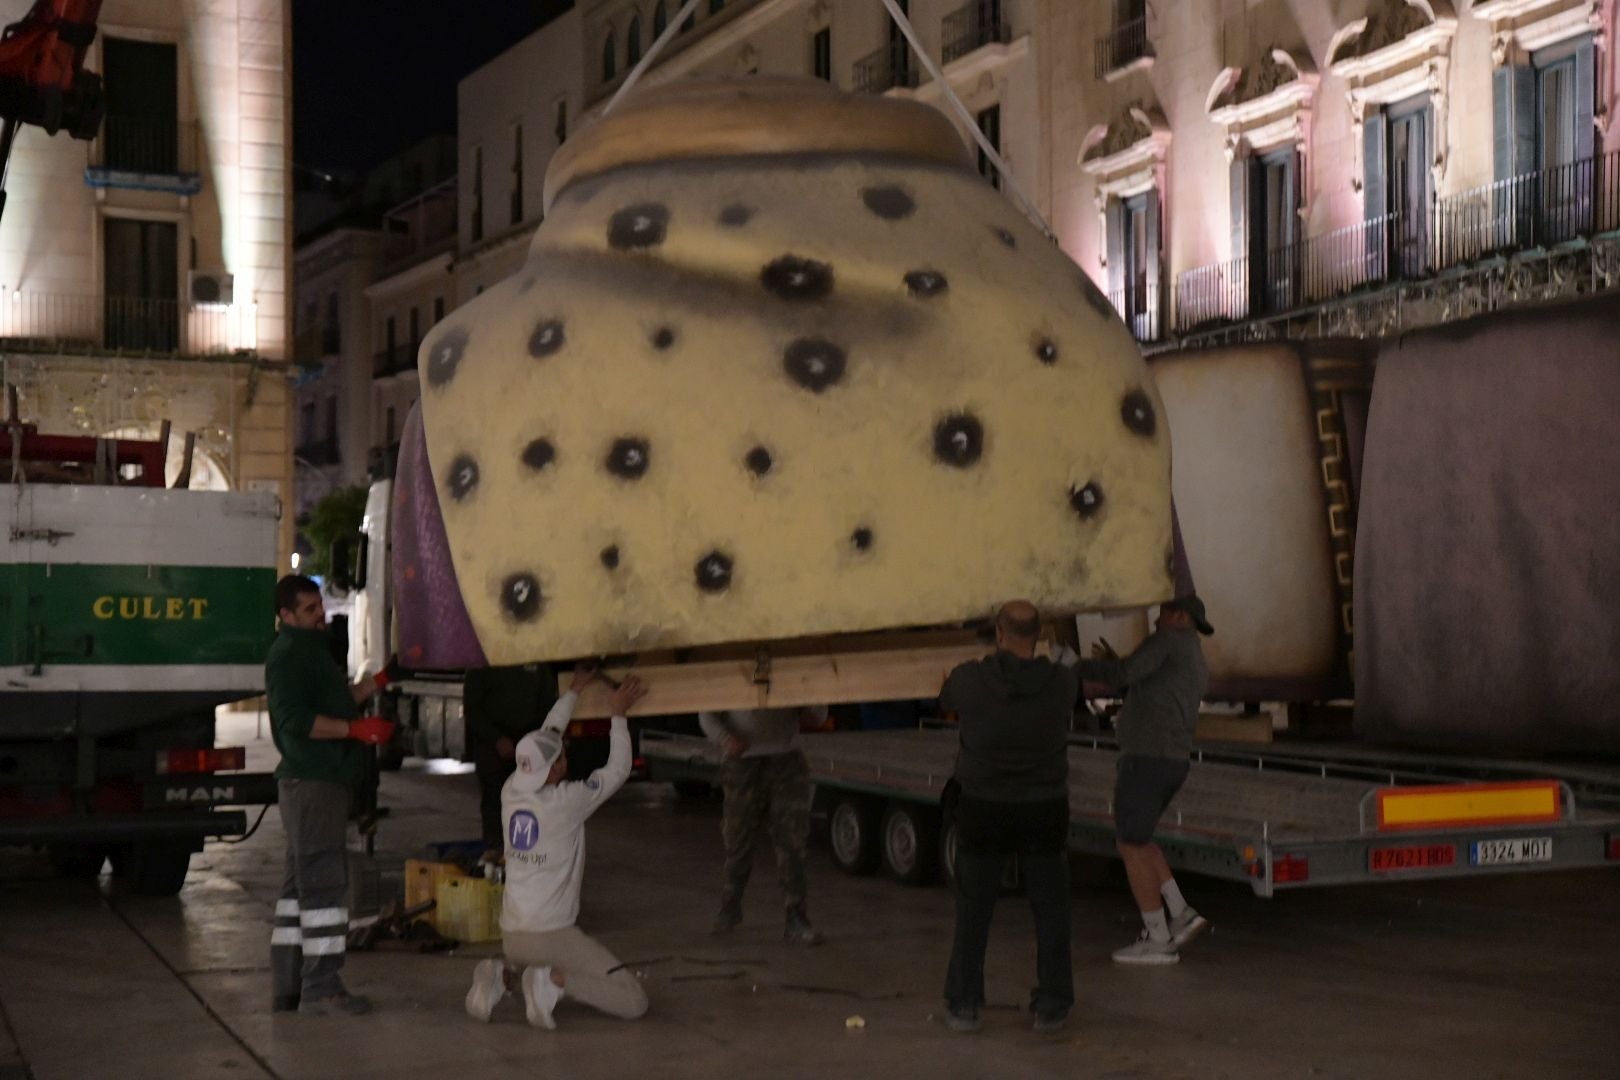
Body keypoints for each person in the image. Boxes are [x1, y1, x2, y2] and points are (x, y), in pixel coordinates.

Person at [464, 666, 650, 1029]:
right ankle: (549, 981)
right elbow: (617, 771)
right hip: (553, 936)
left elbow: (548, 734)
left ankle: (505, 975)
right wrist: (618, 715)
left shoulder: (512, 789)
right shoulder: (567, 802)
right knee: (633, 1001)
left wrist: (575, 691)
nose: (567, 753)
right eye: (563, 755)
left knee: (534, 958)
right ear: (553, 771)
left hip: (513, 936)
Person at [940, 600, 1078, 1035]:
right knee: (1051, 909)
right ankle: (1052, 1005)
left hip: (984, 806)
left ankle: (964, 1005)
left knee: (974, 909)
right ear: (1038, 637)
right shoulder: (1061, 683)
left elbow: (944, 698)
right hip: (1044, 807)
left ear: (1000, 633)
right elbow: (1074, 678)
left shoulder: (970, 679)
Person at [266, 574, 396, 1016]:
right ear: (285, 616)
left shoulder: (310, 649)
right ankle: (322, 986)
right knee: (322, 882)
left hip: (319, 783)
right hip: (313, 783)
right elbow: (295, 720)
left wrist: (378, 681)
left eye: (319, 605)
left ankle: (288, 985)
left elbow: (339, 700)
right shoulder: (288, 656)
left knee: (297, 887)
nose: (321, 614)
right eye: (309, 610)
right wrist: (356, 730)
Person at [1078, 594, 1214, 966]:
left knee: (1129, 843)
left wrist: (1074, 666)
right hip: (1171, 760)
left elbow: (1125, 673)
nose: (1155, 619)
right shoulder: (1192, 655)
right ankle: (1180, 911)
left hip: (1147, 759)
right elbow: (1140, 681)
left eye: (1163, 611)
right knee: (1143, 839)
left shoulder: (1167, 642)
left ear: (1179, 616)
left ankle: (1157, 937)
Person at [698, 704, 828, 944]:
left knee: (792, 841)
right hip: (742, 761)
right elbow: (706, 713)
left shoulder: (790, 670)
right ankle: (730, 907)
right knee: (737, 840)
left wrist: (808, 709)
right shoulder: (732, 670)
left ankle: (796, 918)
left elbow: (819, 714)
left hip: (786, 758)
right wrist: (726, 739)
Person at [464, 662, 557, 855]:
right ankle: (495, 855)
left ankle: (527, 855)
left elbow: (547, 703)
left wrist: (537, 741)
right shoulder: (482, 661)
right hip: (492, 747)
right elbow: (472, 709)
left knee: (530, 801)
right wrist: (496, 739)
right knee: (495, 803)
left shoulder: (536, 658)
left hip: (528, 745)